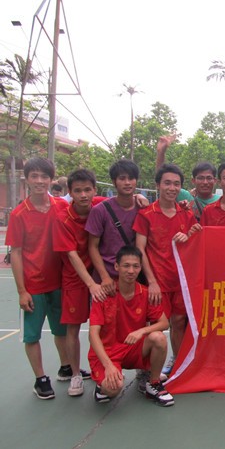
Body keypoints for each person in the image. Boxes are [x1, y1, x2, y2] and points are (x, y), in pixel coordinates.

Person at [6, 157, 69, 399]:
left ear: (51, 180)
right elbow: (16, 253)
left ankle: (66, 367)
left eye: (44, 176)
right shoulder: (19, 214)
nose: (40, 181)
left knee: (61, 330)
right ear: (27, 179)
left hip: (59, 283)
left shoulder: (60, 206)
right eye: (35, 176)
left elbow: (89, 202)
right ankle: (40, 378)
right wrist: (22, 291)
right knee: (32, 335)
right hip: (33, 286)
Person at [134, 164, 200, 381]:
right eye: (167, 183)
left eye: (176, 184)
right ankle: (148, 373)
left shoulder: (186, 214)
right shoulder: (146, 214)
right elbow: (140, 249)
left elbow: (194, 244)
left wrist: (190, 236)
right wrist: (151, 281)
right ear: (158, 185)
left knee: (179, 322)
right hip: (158, 282)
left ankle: (178, 368)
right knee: (156, 328)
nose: (172, 188)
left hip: (180, 282)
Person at [88, 246, 174, 406]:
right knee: (113, 388)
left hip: (132, 349)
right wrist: (108, 366)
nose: (131, 270)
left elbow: (164, 323)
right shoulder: (104, 294)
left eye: (136, 266)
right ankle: (102, 386)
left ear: (140, 268)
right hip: (108, 352)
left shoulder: (146, 293)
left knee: (159, 338)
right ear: (116, 266)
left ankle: (153, 383)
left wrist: (141, 331)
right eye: (126, 266)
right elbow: (93, 334)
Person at [53, 169, 106, 397]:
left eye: (87, 190)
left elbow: (125, 200)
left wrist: (138, 197)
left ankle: (103, 368)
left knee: (104, 325)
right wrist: (91, 284)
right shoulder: (62, 218)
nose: (83, 195)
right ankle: (75, 374)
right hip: (76, 279)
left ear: (94, 190)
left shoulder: (101, 205)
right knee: (73, 328)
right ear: (70, 192)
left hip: (100, 275)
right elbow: (72, 255)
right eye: (77, 191)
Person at [86, 160, 143, 298]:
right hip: (107, 280)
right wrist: (104, 277)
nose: (127, 182)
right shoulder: (100, 211)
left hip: (134, 278)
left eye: (131, 178)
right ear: (114, 181)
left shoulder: (143, 208)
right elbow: (92, 246)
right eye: (122, 178)